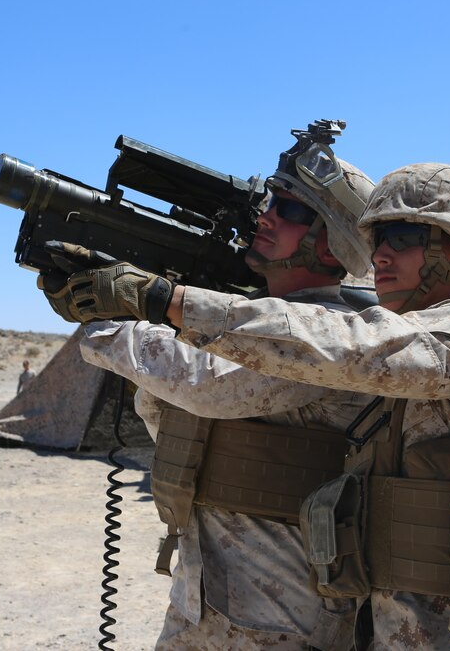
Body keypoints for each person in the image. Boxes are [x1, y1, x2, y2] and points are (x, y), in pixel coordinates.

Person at [52, 162, 450, 650]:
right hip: (392, 623)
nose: (381, 256)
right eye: (376, 241)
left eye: (404, 237)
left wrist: (166, 301)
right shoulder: (406, 344)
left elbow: (347, 346)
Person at [42, 153, 378, 650]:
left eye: (290, 210)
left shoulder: (331, 335)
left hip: (285, 615)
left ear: (333, 243)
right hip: (200, 600)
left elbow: (207, 383)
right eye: (270, 202)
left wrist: (107, 316)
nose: (266, 217)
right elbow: (167, 412)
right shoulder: (242, 325)